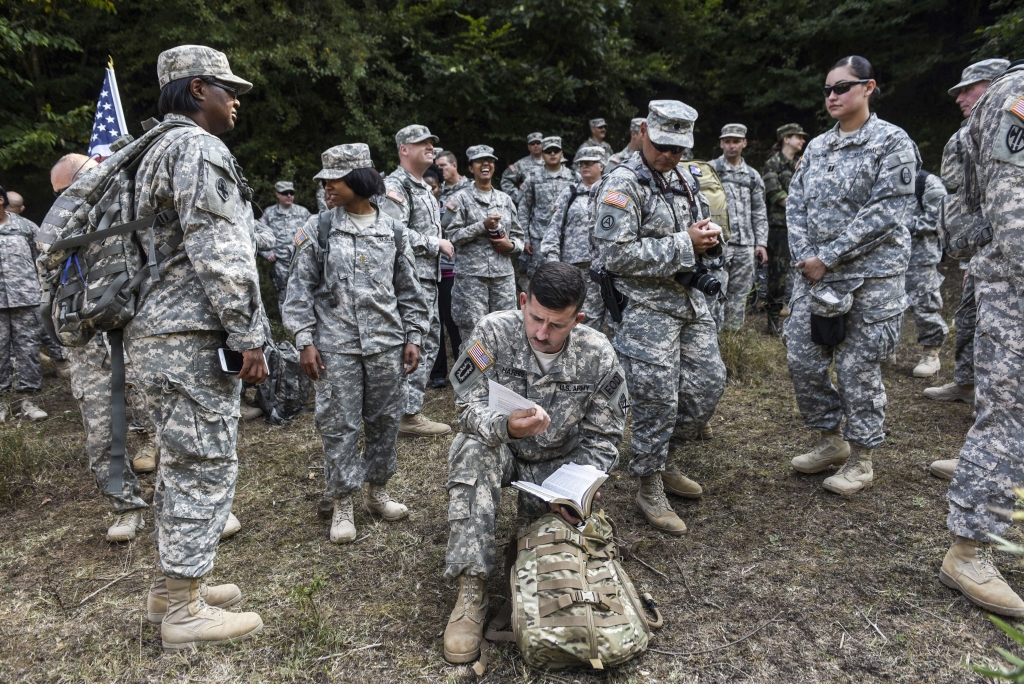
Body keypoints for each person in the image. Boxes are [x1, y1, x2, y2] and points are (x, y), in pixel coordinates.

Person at [130, 45, 269, 650]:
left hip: (157, 334)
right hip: (190, 337)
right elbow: (221, 251)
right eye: (225, 88)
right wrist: (249, 337)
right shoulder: (197, 148)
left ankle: (171, 588)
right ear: (195, 91)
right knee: (204, 464)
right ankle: (184, 614)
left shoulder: (152, 149)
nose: (235, 99)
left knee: (180, 463)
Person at [441, 262, 628, 664]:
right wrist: (505, 425)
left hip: (559, 467)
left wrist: (576, 492)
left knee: (540, 558)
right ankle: (471, 588)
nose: (542, 334)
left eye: (557, 325)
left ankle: (532, 570)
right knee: (469, 450)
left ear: (578, 319)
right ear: (523, 302)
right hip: (503, 449)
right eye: (536, 318)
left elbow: (604, 438)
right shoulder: (493, 331)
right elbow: (465, 407)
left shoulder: (597, 352)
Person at [785, 56, 919, 495]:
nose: (832, 96)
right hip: (816, 278)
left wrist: (829, 256)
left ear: (868, 87)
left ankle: (862, 458)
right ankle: (830, 439)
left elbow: (885, 214)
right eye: (827, 90)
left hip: (871, 279)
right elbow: (795, 203)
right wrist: (808, 257)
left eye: (842, 87)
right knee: (802, 360)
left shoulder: (891, 142)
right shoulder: (819, 146)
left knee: (858, 368)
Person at [592, 100, 726, 534]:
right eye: (663, 145)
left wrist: (707, 238)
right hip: (646, 308)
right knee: (656, 399)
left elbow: (697, 226)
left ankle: (662, 457)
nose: (670, 155)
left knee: (708, 384)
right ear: (644, 133)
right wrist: (684, 244)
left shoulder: (684, 178)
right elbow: (614, 254)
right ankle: (648, 483)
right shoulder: (622, 184)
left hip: (688, 302)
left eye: (679, 148)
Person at [284, 143, 429, 544]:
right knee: (339, 425)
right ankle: (343, 500)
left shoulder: (394, 229)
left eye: (334, 180)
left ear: (359, 181)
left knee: (384, 421)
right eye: (325, 181)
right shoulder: (320, 228)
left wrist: (413, 336)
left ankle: (377, 492)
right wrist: (304, 341)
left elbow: (410, 290)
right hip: (335, 346)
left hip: (386, 344)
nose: (326, 187)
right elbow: (298, 291)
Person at [938, 59, 1024, 618]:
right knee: (1010, 415)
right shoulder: (1018, 93)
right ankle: (968, 550)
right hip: (1018, 286)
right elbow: (1015, 218)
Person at [48, 154, 168, 544]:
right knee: (101, 436)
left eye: (72, 191)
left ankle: (187, 504)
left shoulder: (131, 213)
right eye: (60, 196)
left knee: (172, 425)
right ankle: (126, 507)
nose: (67, 202)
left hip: (141, 338)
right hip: (89, 349)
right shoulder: (55, 238)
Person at [923, 59, 1010, 441]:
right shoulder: (971, 128)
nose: (960, 97)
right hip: (981, 248)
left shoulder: (1009, 118)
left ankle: (995, 433)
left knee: (1001, 336)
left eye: (968, 88)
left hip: (1004, 248)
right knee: (970, 317)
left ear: (994, 84)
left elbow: (1006, 195)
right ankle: (966, 383)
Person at [382, 124, 455, 437]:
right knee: (412, 342)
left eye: (431, 142)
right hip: (409, 281)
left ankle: (408, 410)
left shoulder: (423, 187)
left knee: (426, 340)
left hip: (427, 279)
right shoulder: (395, 186)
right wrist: (434, 242)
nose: (429, 146)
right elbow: (391, 232)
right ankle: (405, 415)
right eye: (421, 142)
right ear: (404, 149)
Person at [443, 145, 523, 348]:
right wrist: (482, 226)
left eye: (490, 160)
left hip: (502, 277)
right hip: (471, 279)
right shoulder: (459, 199)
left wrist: (511, 245)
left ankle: (501, 380)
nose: (485, 164)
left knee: (506, 330)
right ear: (470, 168)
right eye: (479, 161)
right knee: (473, 333)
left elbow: (519, 237)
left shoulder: (505, 200)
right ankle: (474, 381)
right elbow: (451, 236)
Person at [710, 124, 769, 332]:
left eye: (736, 141)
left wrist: (761, 243)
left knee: (739, 295)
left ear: (744, 143)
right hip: (717, 244)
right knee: (714, 292)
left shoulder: (752, 176)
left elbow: (759, 212)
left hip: (745, 245)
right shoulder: (710, 171)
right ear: (721, 143)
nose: (731, 146)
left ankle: (731, 341)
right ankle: (711, 339)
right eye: (727, 141)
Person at [539, 145, 606, 326]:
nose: (584, 166)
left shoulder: (611, 194)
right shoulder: (570, 194)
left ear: (601, 165)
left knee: (604, 319)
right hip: (573, 269)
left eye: (590, 163)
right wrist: (553, 263)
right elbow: (553, 229)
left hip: (604, 267)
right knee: (574, 317)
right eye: (581, 163)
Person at [0, 184, 49, 421]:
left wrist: (44, 291)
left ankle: (29, 402)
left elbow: (42, 260)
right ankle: (2, 404)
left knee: (28, 351)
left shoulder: (25, 227)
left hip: (25, 300)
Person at [761, 123, 808, 334]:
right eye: (798, 137)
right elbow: (776, 196)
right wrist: (800, 205)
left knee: (801, 273)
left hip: (800, 227)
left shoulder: (803, 163)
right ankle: (772, 321)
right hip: (779, 228)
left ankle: (800, 319)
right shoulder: (773, 164)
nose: (802, 141)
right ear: (785, 139)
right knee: (777, 276)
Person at [904, 168, 948, 377]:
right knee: (884, 306)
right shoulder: (881, 180)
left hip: (920, 256)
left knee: (924, 305)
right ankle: (885, 350)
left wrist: (903, 225)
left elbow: (940, 218)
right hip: (886, 257)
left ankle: (931, 353)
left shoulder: (927, 182)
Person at [517, 136, 575, 285]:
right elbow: (524, 208)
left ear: (562, 153)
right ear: (542, 154)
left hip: (567, 237)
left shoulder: (574, 178)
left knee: (567, 278)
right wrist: (525, 239)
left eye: (556, 151)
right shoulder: (533, 178)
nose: (553, 154)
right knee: (540, 279)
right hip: (539, 238)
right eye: (548, 151)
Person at [426, 164, 461, 389]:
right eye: (425, 187)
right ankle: (437, 373)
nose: (430, 191)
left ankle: (462, 369)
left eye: (434, 187)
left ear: (440, 188)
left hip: (449, 273)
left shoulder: (448, 210)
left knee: (453, 322)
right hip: (427, 275)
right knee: (433, 324)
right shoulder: (413, 213)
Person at [259, 181, 311, 313]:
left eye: (291, 193)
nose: (289, 196)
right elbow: (259, 234)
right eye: (285, 193)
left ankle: (303, 321)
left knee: (304, 289)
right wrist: (267, 253)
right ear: (277, 194)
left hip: (300, 259)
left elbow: (313, 233)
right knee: (284, 292)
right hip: (280, 261)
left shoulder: (303, 212)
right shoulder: (269, 213)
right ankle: (287, 327)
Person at [500, 132, 544, 204]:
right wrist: (517, 196)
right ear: (528, 147)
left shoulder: (551, 163)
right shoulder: (520, 164)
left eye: (538, 143)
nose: (535, 145)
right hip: (528, 207)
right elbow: (506, 180)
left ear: (543, 144)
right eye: (532, 143)